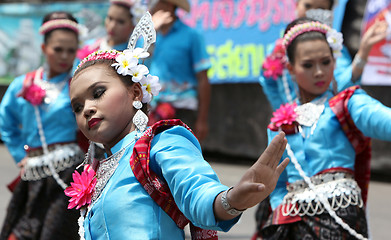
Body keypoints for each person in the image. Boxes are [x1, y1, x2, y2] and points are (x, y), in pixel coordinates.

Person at [66, 12, 289, 240]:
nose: (87, 109)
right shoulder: (96, 172)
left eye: (98, 93)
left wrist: (231, 200)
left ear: (135, 92)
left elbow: (196, 192)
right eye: (77, 107)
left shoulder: (157, 143)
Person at [257, 18, 391, 239]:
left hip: (339, 217)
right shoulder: (280, 124)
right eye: (308, 65)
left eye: (325, 62)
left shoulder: (346, 104)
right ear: (290, 68)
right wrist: (281, 208)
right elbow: (277, 184)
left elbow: (383, 121)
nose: (319, 72)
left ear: (334, 63)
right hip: (292, 221)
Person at [0, 12, 84, 240]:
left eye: (71, 50)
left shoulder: (79, 84)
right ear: (43, 48)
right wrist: (20, 154)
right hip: (34, 170)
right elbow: (5, 123)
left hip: (69, 171)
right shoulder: (23, 84)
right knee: (23, 231)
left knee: (54, 232)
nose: (64, 56)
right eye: (58, 49)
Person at [259, 0, 388, 110]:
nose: (312, 13)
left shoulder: (333, 47)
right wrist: (284, 114)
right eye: (308, 6)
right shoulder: (277, 50)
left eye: (320, 8)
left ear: (330, 12)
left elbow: (343, 84)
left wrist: (363, 52)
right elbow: (268, 82)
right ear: (297, 5)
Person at [146, 0, 211, 141]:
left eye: (154, 3)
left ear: (168, 6)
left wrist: (202, 120)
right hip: (154, 108)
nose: (149, 7)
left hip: (183, 109)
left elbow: (203, 78)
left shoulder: (191, 36)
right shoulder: (149, 37)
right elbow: (139, 66)